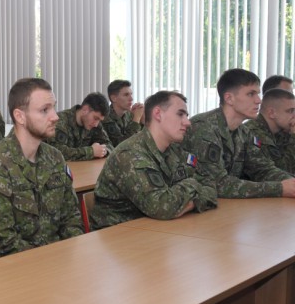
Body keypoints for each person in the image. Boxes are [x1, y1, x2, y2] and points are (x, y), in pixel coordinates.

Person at [0, 78, 83, 264]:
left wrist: (70, 255)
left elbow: (71, 219)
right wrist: (52, 259)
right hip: (10, 270)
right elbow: (1, 245)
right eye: (45, 110)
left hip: (56, 263)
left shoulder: (55, 158)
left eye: (53, 107)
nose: (55, 116)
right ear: (20, 116)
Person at [90, 91, 218, 230]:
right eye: (180, 114)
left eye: (186, 116)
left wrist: (187, 203)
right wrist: (192, 185)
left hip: (157, 229)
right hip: (119, 233)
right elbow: (161, 207)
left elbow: (210, 184)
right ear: (158, 114)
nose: (187, 122)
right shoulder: (130, 154)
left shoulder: (174, 149)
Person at [182, 68, 295, 198]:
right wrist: (279, 188)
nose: (258, 100)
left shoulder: (243, 132)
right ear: (229, 98)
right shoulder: (204, 128)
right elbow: (217, 184)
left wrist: (291, 183)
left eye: (258, 94)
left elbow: (262, 169)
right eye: (251, 94)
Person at [239, 88, 295, 174]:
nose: (294, 116)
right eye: (290, 111)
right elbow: (280, 172)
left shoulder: (282, 131)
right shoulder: (253, 132)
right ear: (271, 113)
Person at [46, 92, 114, 160]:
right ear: (85, 110)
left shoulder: (94, 124)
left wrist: (103, 151)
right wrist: (91, 151)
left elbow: (109, 145)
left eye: (99, 120)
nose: (96, 124)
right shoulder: (61, 121)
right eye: (95, 118)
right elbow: (56, 152)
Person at [101, 79, 143, 146]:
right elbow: (121, 145)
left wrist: (143, 119)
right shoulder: (105, 118)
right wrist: (136, 119)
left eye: (131, 94)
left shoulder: (130, 114)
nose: (131, 99)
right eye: (126, 95)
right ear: (114, 98)